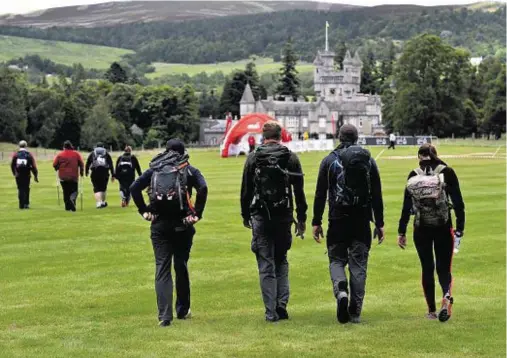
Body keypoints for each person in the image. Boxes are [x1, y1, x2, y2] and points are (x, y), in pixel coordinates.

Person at [130, 139, 208, 327]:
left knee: (162, 267)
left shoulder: (155, 169)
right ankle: (182, 309)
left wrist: (144, 211)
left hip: (159, 224)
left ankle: (164, 316)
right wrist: (197, 213)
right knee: (180, 265)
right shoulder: (188, 169)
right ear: (183, 152)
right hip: (183, 223)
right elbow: (203, 188)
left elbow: (134, 188)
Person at [312, 124, 385, 324]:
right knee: (359, 265)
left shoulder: (329, 161)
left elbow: (320, 194)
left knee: (336, 260)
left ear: (339, 136)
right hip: (361, 219)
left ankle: (341, 289)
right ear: (357, 137)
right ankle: (355, 310)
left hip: (337, 218)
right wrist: (379, 222)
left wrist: (316, 221)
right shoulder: (368, 161)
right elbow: (376, 193)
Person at [241, 121, 308, 322]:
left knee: (265, 264)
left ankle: (270, 312)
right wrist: (302, 218)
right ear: (280, 136)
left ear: (263, 136)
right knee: (281, 260)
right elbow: (299, 191)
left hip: (260, 216)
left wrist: (245, 215)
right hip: (283, 215)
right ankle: (281, 305)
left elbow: (246, 191)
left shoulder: (254, 157)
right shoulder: (290, 157)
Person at [397, 143, 465, 322]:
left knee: (427, 268)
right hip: (444, 226)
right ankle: (447, 295)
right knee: (444, 268)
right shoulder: (447, 172)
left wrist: (401, 231)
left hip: (421, 228)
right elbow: (458, 202)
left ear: (419, 157)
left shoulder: (414, 175)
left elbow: (406, 207)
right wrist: (460, 228)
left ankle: (431, 311)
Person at [53, 140, 84, 212]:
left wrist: (57, 168)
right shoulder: (76, 154)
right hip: (73, 177)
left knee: (65, 191)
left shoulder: (60, 155)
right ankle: (72, 200)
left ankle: (67, 207)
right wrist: (82, 172)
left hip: (63, 177)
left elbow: (54, 164)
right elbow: (81, 164)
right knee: (74, 191)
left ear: (64, 147)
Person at [85, 142, 115, 208]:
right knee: (103, 188)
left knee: (96, 188)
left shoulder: (93, 153)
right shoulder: (106, 153)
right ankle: (103, 202)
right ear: (103, 147)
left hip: (95, 172)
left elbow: (88, 163)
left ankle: (99, 203)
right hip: (104, 172)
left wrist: (86, 172)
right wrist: (113, 174)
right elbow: (111, 164)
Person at [11, 140, 38, 209]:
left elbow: (12, 165)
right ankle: (26, 204)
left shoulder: (16, 154)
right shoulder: (29, 154)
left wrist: (15, 173)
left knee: (20, 189)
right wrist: (35, 175)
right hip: (27, 175)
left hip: (18, 175)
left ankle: (21, 205)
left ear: (19, 146)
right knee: (26, 189)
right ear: (26, 146)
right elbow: (34, 166)